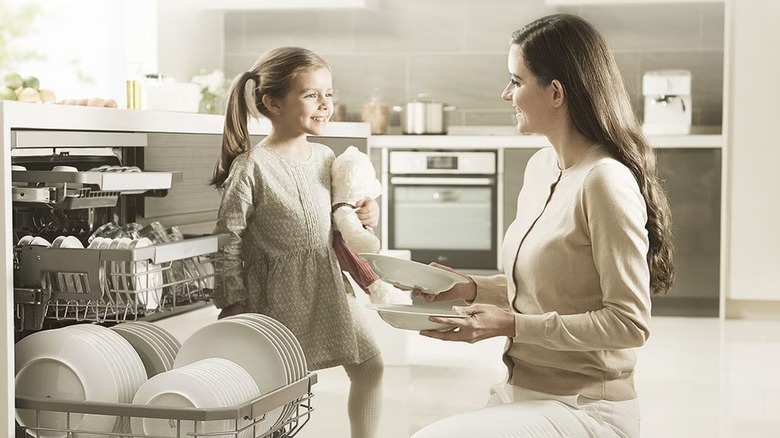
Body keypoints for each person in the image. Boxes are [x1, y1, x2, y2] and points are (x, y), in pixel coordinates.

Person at [411, 13, 675, 438]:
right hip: (521, 392)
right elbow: (549, 283)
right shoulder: (540, 168)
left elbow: (629, 323)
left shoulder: (604, 181)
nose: (505, 94)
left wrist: (510, 324)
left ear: (555, 93)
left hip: (587, 407)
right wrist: (469, 288)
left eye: (516, 81)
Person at [210, 46, 383, 438]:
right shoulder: (252, 165)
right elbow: (227, 240)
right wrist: (233, 302)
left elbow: (343, 213)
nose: (325, 105)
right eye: (311, 95)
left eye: (329, 94)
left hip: (329, 286)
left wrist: (367, 212)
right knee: (280, 390)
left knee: (371, 365)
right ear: (272, 102)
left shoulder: (325, 157)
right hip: (277, 297)